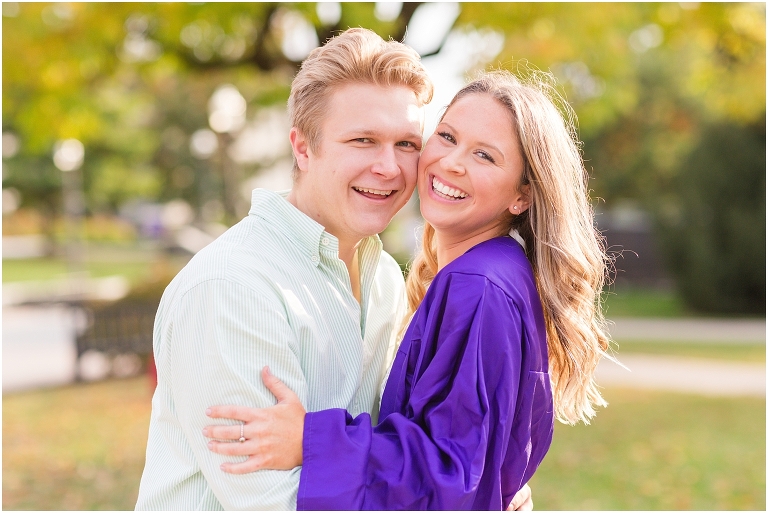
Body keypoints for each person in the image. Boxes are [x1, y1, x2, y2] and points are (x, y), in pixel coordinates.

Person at [203, 70, 612, 510]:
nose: (452, 162)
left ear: (523, 196)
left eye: (485, 156)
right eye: (448, 136)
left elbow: (447, 475)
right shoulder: (495, 271)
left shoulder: (479, 286)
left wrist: (311, 440)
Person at [135, 28, 434, 510]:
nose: (390, 168)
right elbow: (273, 503)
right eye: (363, 140)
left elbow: (384, 441)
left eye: (406, 144)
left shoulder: (382, 279)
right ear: (302, 148)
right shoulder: (233, 289)